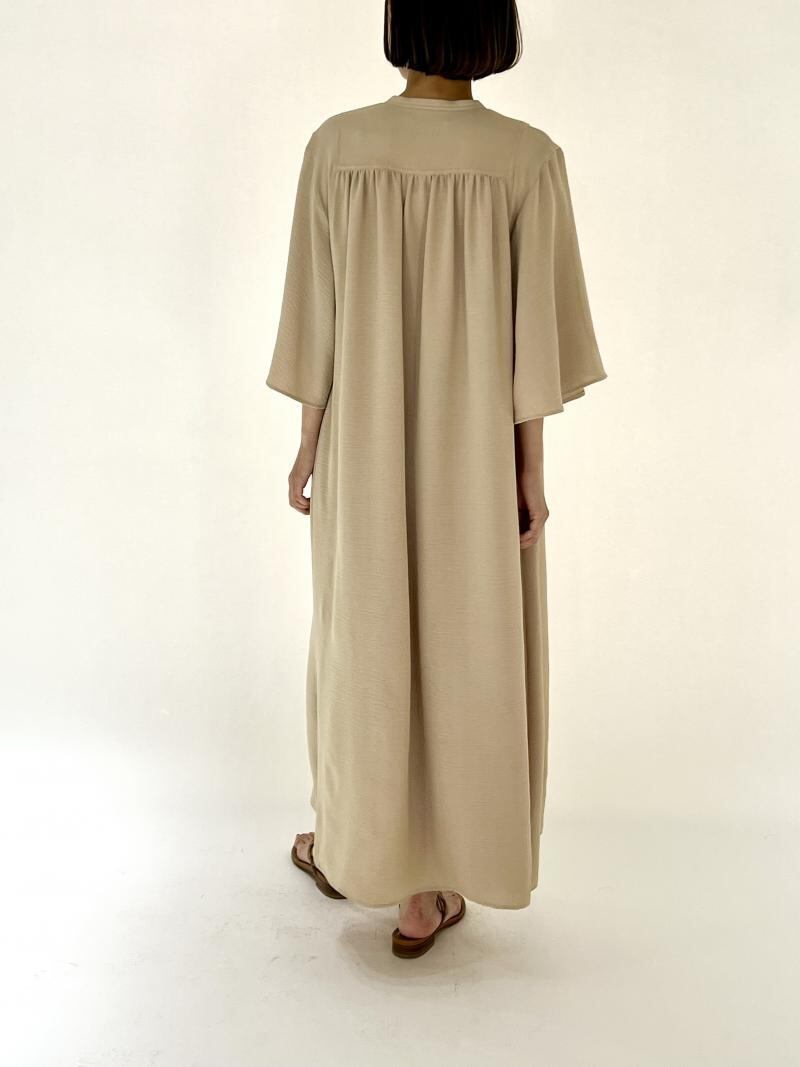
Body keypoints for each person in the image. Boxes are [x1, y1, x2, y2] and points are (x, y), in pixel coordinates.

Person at [267, 0, 607, 959]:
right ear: (493, 28)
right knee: (472, 648)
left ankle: (358, 848)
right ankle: (428, 891)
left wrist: (309, 443)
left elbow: (315, 317)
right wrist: (529, 470)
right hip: (477, 454)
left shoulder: (337, 147)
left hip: (364, 444)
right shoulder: (527, 159)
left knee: (362, 644)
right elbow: (536, 341)